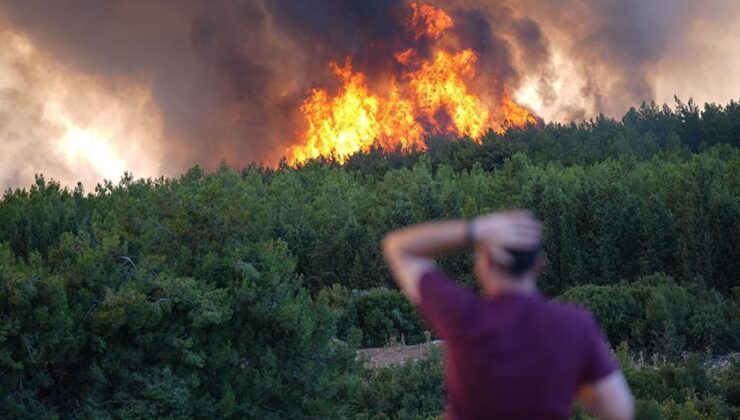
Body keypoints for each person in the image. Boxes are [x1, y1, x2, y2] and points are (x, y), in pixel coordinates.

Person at [381, 210, 634, 420]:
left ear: (485, 265)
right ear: (539, 265)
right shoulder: (575, 325)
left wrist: (475, 230)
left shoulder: (463, 315)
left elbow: (398, 247)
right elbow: (620, 410)